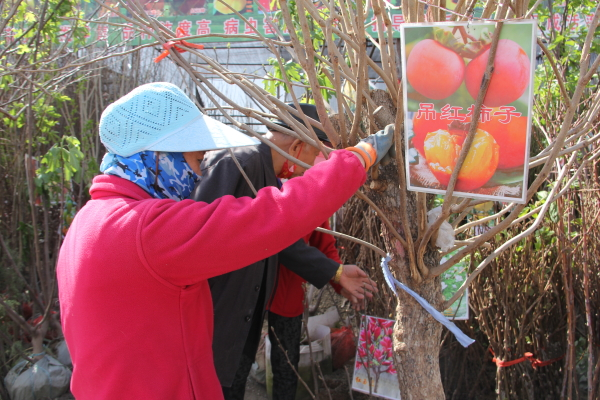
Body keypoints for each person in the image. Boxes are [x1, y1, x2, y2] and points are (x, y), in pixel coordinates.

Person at [56, 83, 393, 400]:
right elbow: (269, 218)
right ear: (158, 157)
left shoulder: (89, 220)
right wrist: (359, 157)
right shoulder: (147, 230)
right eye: (196, 159)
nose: (200, 173)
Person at [191, 103, 391, 399]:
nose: (313, 167)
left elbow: (298, 234)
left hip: (251, 302)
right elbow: (204, 236)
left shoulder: (266, 172)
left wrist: (335, 272)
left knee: (242, 376)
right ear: (297, 146)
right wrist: (334, 273)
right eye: (313, 155)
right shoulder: (238, 162)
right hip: (218, 310)